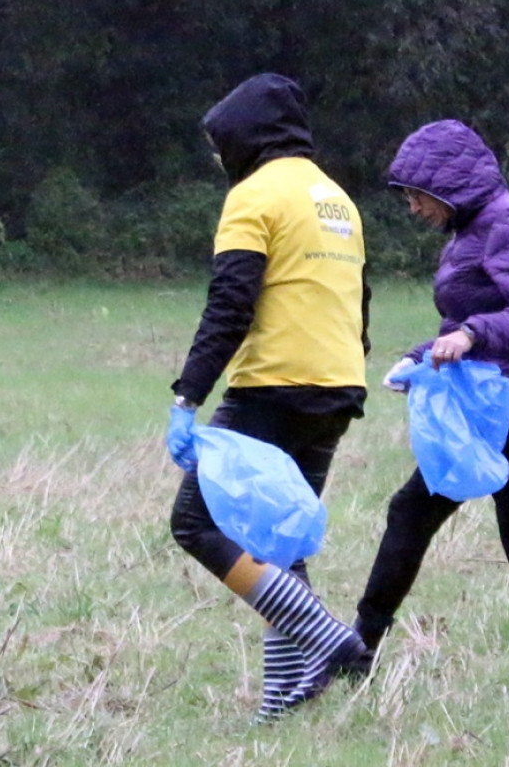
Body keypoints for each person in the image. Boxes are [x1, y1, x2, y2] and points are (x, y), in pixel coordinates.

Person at [166, 73, 370, 721]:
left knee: (196, 524)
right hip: (338, 383)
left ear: (243, 137)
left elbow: (230, 301)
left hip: (273, 385)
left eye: (218, 143)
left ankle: (330, 640)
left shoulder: (254, 197)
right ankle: (283, 699)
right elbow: (359, 301)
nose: (217, 157)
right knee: (278, 541)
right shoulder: (336, 199)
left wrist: (188, 395)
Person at [353, 119, 509, 694]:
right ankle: (358, 650)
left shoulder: (508, 220)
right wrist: (422, 355)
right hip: (483, 396)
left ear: (447, 185)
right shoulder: (472, 226)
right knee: (420, 514)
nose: (412, 208)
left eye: (415, 195)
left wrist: (471, 336)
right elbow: (466, 319)